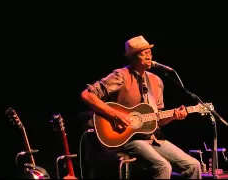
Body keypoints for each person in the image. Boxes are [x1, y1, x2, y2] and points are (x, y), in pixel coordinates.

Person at [80, 35, 202, 179]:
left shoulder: (156, 82)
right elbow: (87, 95)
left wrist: (174, 116)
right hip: (127, 138)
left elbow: (158, 119)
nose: (149, 56)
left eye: (149, 52)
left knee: (194, 165)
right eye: (143, 53)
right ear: (132, 57)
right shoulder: (121, 76)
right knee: (163, 166)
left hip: (152, 138)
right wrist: (116, 115)